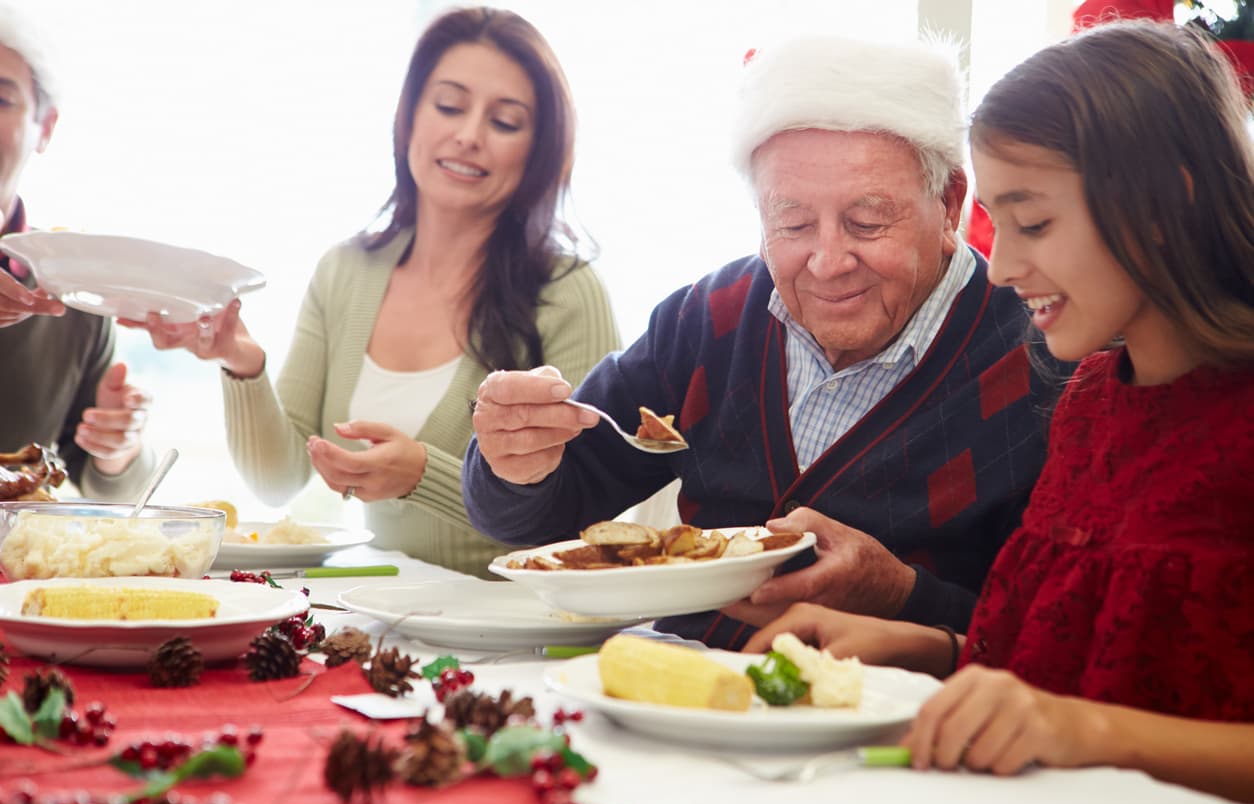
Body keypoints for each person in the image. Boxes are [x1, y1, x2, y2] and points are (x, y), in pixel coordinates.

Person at [744, 21, 1254, 803]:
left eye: (1034, 223)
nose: (1003, 267)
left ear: (1165, 205)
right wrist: (922, 647)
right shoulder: (1089, 405)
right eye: (1000, 224)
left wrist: (1086, 730)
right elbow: (1055, 668)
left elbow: (1082, 715)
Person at [462, 34, 1066, 647]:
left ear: (949, 203)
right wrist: (514, 462)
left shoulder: (1045, 363)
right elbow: (537, 520)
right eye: (793, 223)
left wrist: (902, 596)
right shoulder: (708, 319)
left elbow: (1062, 646)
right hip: (679, 683)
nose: (828, 262)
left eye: (867, 222)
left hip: (896, 702)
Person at [128, 7, 619, 578]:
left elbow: (590, 514)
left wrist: (425, 476)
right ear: (409, 118)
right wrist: (242, 364)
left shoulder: (568, 292)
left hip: (521, 615)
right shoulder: (344, 272)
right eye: (449, 106)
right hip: (382, 605)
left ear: (537, 150)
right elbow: (279, 479)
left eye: (505, 121)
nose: (468, 135)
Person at [0, 3, 155, 498]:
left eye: (0, 99)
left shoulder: (72, 292)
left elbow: (102, 489)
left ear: (45, 127)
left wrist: (116, 448)